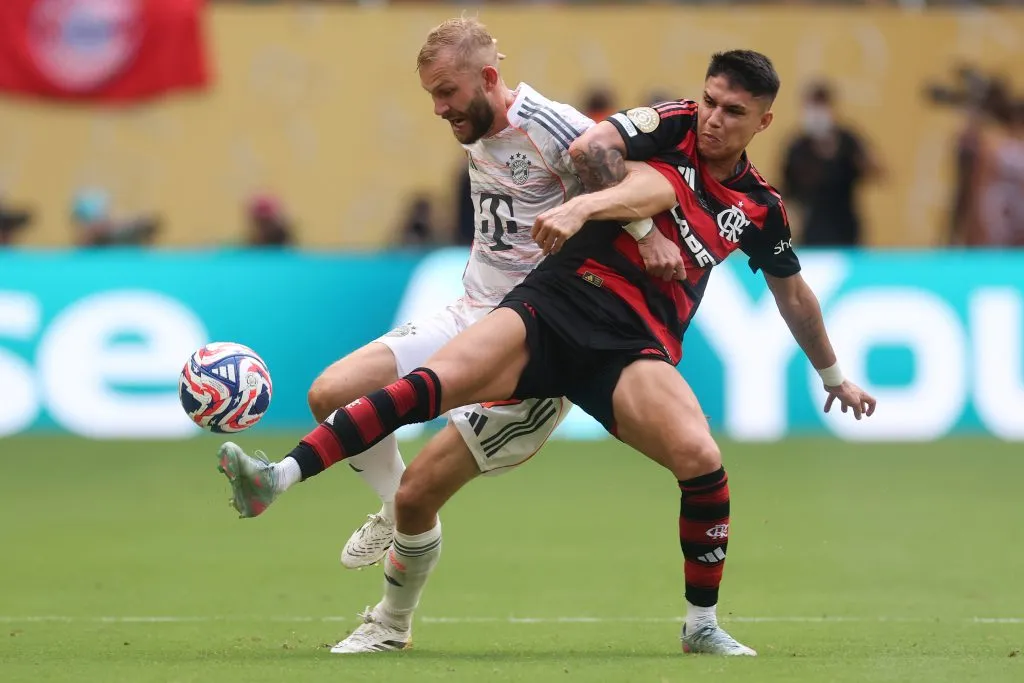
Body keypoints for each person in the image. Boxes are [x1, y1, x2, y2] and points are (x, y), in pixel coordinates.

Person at [220, 50, 877, 656]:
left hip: (632, 346)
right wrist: (596, 211)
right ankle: (284, 488)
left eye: (733, 111)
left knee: (702, 459)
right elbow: (607, 154)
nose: (712, 118)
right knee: (422, 423)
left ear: (763, 121)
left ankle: (701, 625)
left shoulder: (760, 206)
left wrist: (834, 375)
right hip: (554, 304)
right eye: (708, 100)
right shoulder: (667, 126)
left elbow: (793, 295)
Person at [217, 16, 682, 651]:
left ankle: (390, 624)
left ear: (489, 78)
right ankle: (389, 512)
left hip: (534, 344)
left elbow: (628, 175)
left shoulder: (551, 124)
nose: (438, 109)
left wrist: (648, 236)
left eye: (446, 92)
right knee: (332, 394)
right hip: (468, 313)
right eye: (431, 95)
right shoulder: (477, 122)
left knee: (420, 495)